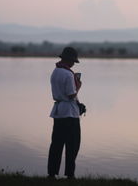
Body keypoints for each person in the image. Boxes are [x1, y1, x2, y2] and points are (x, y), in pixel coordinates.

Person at [47, 47, 82, 179]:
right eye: (73, 61)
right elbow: (71, 95)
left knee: (56, 144)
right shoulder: (68, 74)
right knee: (72, 145)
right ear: (68, 60)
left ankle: (51, 173)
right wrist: (78, 86)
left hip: (58, 112)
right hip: (70, 114)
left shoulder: (55, 71)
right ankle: (70, 175)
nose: (73, 63)